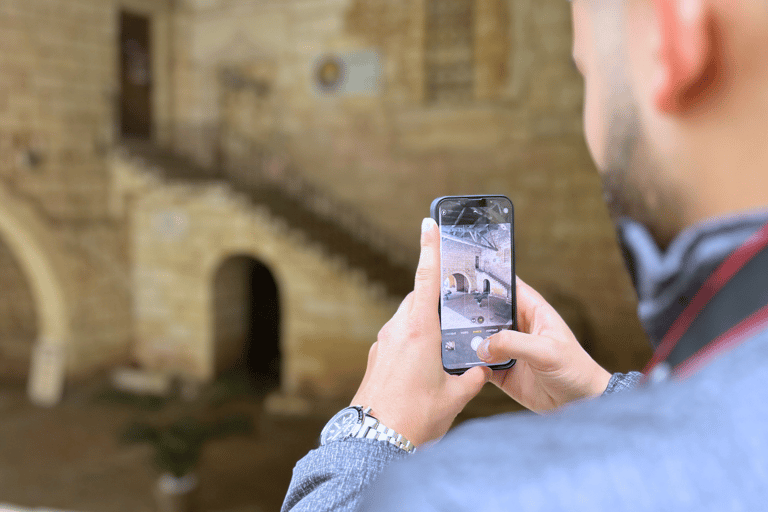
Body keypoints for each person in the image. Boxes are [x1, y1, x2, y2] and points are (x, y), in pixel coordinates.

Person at [282, 0, 768, 509]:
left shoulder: (470, 494)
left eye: (586, 75)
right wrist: (607, 399)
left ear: (671, 37)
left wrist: (367, 436)